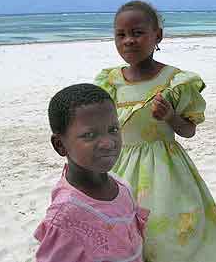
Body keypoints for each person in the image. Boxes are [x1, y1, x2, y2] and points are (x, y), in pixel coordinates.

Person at [94, 0, 216, 262]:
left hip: (166, 171)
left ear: (158, 36)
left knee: (167, 235)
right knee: (124, 234)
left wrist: (171, 117)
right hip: (120, 169)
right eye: (121, 35)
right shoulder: (110, 82)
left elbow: (188, 130)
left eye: (137, 33)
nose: (128, 41)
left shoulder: (174, 82)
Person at [34, 83, 149, 262]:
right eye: (89, 135)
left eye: (113, 130)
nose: (108, 143)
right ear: (60, 145)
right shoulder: (66, 216)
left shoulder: (121, 185)